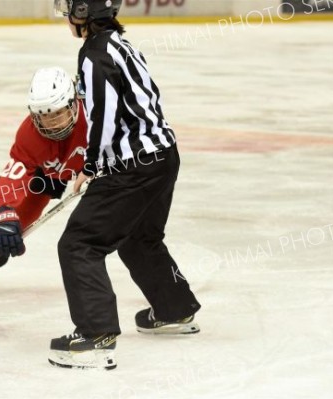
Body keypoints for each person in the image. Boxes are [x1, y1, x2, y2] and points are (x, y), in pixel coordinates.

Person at [48, 0, 202, 370]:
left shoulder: (95, 53)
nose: (67, 16)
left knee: (80, 243)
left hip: (133, 167)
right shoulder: (121, 43)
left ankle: (96, 336)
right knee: (139, 238)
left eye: (71, 8)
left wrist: (91, 164)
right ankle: (174, 309)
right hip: (163, 156)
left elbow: (104, 115)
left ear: (86, 12)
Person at [0, 67, 87, 297]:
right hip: (48, 177)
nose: (52, 123)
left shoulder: (94, 116)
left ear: (73, 103)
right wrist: (3, 214)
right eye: (44, 115)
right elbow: (15, 173)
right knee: (10, 229)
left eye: (58, 113)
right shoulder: (29, 133)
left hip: (94, 171)